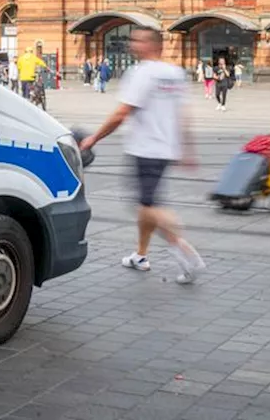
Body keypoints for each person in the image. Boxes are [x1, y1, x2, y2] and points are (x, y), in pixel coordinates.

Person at [79, 27, 206, 284]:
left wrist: (94, 138)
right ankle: (141, 254)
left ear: (151, 45)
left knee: (147, 207)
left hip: (145, 148)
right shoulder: (174, 73)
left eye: (137, 40)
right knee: (147, 203)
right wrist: (187, 148)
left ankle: (183, 250)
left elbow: (122, 113)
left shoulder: (141, 72)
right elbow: (184, 114)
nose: (132, 44)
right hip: (165, 149)